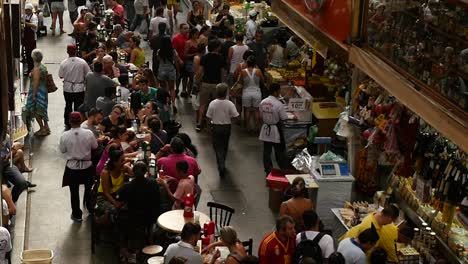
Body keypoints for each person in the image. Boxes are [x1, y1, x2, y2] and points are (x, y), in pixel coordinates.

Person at [59, 112, 98, 222]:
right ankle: (90, 208)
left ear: (70, 121)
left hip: (72, 168)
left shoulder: (65, 135)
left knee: (74, 192)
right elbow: (95, 146)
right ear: (81, 120)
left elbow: (62, 150)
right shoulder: (89, 133)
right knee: (88, 188)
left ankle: (77, 214)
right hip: (87, 166)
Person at [206, 83, 239, 177]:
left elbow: (208, 117)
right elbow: (236, 117)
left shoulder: (212, 103)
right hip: (226, 127)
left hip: (216, 127)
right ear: (226, 93)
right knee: (225, 146)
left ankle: (220, 164)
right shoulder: (230, 104)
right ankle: (223, 162)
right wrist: (231, 121)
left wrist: (209, 127)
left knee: (217, 147)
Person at [95, 146, 132, 224]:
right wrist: (115, 203)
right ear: (115, 162)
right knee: (115, 210)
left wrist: (128, 167)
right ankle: (98, 221)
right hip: (104, 198)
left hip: (117, 195)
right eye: (122, 160)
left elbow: (134, 175)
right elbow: (106, 193)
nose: (124, 161)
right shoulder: (106, 173)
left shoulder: (123, 168)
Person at [59, 44, 91, 129]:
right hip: (79, 88)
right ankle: (78, 121)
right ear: (76, 51)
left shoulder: (64, 63)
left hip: (67, 88)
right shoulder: (82, 62)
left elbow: (61, 76)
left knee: (68, 105)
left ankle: (67, 122)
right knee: (78, 106)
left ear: (67, 52)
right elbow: (88, 74)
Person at [119, 161, 160, 226]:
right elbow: (158, 197)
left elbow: (121, 200)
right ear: (145, 171)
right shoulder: (153, 182)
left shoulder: (126, 186)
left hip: (132, 214)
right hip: (150, 214)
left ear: (133, 171)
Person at [259, 83, 287, 175]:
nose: (280, 92)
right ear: (275, 92)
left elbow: (261, 115)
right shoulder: (278, 104)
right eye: (279, 90)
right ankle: (282, 169)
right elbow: (284, 118)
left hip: (266, 128)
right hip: (275, 130)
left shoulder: (263, 102)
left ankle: (268, 170)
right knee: (279, 151)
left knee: (266, 152)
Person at [196, 39, 225, 132]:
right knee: (215, 105)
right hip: (216, 84)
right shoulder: (221, 58)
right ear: (217, 48)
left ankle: (199, 123)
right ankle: (213, 123)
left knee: (202, 105)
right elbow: (222, 73)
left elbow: (200, 71)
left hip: (205, 83)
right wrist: (222, 83)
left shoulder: (204, 57)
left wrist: (198, 82)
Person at [1, 136, 35, 203]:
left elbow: (13, 149)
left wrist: (8, 155)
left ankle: (11, 203)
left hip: (6, 164)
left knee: (22, 183)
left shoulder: (5, 136)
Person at [25, 49, 50, 136]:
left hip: (38, 92)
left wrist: (34, 96)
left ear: (33, 58)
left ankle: (42, 129)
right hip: (44, 92)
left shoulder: (36, 69)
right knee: (43, 110)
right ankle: (46, 127)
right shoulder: (43, 66)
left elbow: (35, 83)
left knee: (36, 111)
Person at [240, 56, 263, 132]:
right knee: (256, 110)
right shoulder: (258, 71)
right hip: (256, 92)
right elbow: (263, 80)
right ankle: (256, 127)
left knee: (247, 110)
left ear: (247, 63)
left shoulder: (243, 71)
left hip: (246, 93)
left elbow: (240, 82)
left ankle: (248, 127)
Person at [158, 36, 182, 111]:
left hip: (162, 70)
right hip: (171, 70)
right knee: (172, 88)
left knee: (164, 88)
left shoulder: (159, 51)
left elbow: (158, 60)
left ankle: (165, 103)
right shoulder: (173, 51)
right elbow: (176, 61)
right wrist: (178, 71)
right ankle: (173, 103)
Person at [172, 23, 190, 98]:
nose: (186, 30)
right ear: (180, 29)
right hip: (178, 60)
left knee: (185, 76)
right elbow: (174, 50)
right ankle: (177, 89)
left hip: (187, 59)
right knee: (178, 75)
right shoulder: (176, 38)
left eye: (187, 28)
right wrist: (179, 60)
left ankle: (184, 90)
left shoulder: (189, 37)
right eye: (184, 28)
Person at [183, 28, 199, 97]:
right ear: (192, 35)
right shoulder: (188, 43)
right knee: (191, 77)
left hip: (197, 61)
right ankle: (189, 92)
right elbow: (185, 54)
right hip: (190, 62)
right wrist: (194, 54)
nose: (197, 35)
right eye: (196, 34)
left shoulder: (198, 41)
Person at [23, 3, 38, 74]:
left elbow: (34, 26)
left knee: (32, 55)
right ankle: (29, 69)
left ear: (30, 10)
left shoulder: (34, 17)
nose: (25, 11)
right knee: (28, 54)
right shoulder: (25, 16)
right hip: (26, 39)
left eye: (27, 10)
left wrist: (25, 23)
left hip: (32, 39)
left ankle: (33, 70)